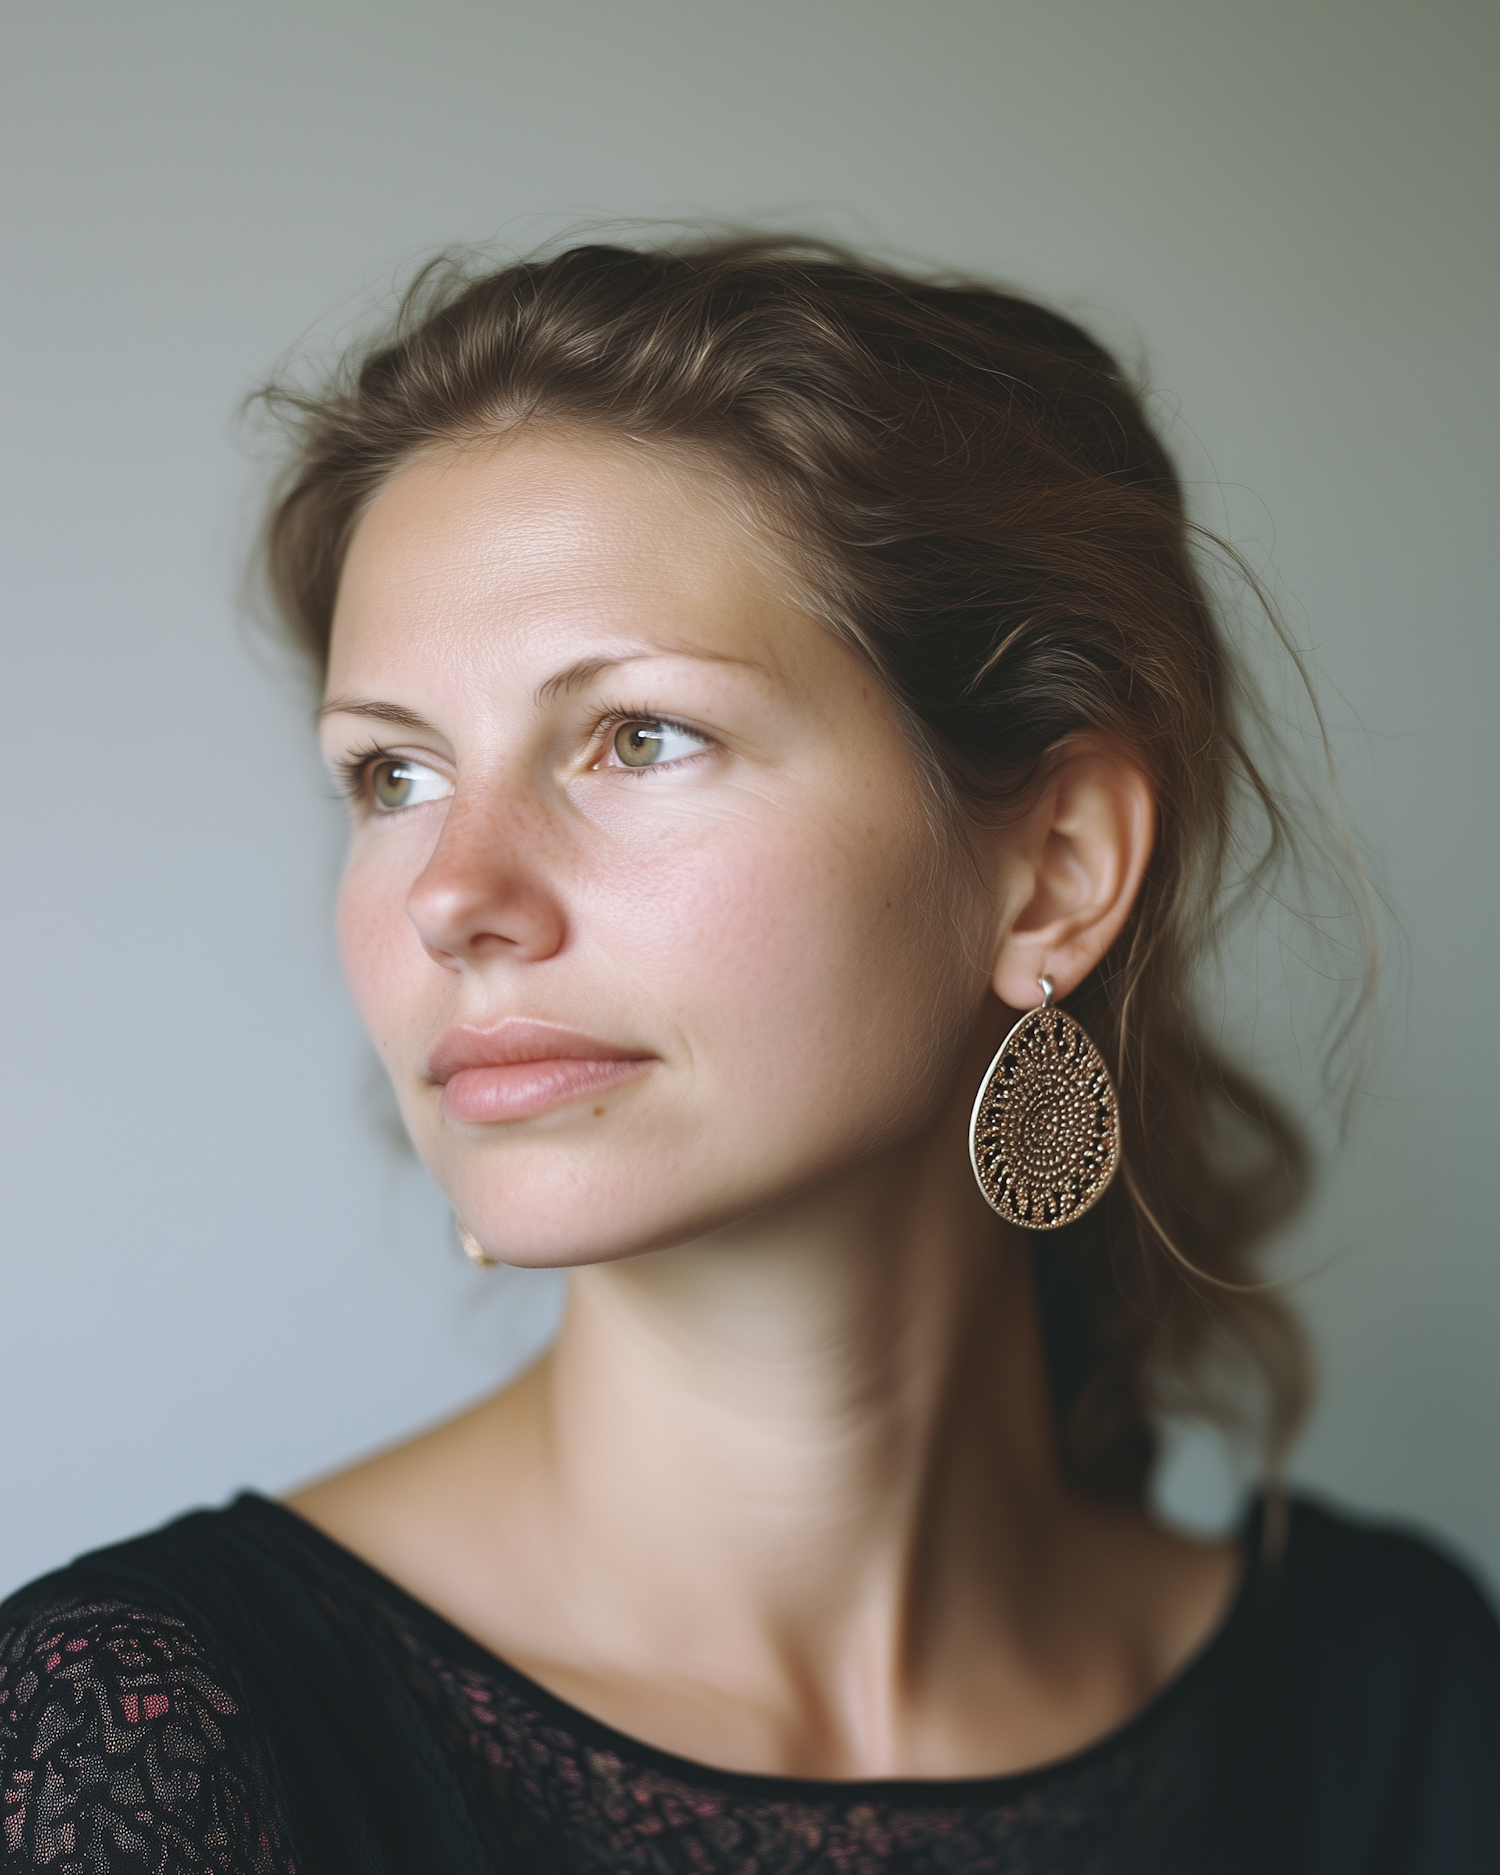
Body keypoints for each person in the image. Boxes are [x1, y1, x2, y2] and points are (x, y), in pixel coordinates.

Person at [2, 238, 1496, 1874]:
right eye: (392, 775)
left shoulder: (1395, 1701)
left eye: (641, 734)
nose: (452, 896)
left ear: (1057, 863)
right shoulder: (150, 1735)